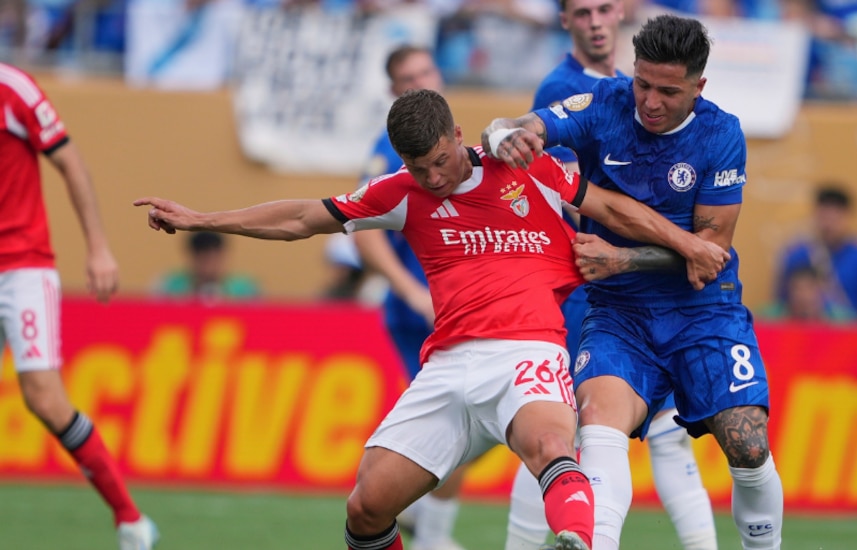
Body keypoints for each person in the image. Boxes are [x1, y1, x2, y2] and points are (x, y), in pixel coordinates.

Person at [134, 88, 730, 550]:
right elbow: (301, 218)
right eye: (420, 168)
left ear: (458, 136)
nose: (435, 178)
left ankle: (580, 539)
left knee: (552, 445)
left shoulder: (527, 168)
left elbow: (614, 210)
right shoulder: (400, 192)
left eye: (441, 161)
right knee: (366, 507)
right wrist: (202, 219)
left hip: (526, 349)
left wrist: (689, 244)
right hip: (446, 365)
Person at [482, 14, 784, 550]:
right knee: (597, 420)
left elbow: (708, 256)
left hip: (703, 311)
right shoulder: (605, 103)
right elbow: (521, 124)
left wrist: (623, 259)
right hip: (618, 314)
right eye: (643, 84)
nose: (650, 101)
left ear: (698, 86)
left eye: (668, 91)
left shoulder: (721, 135)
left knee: (748, 445)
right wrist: (506, 135)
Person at [505, 3, 718, 550]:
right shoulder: (568, 90)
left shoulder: (635, 87)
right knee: (561, 429)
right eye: (582, 12)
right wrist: (677, 239)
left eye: (604, 8)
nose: (596, 21)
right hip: (588, 283)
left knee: (659, 431)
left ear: (621, 12)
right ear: (565, 22)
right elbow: (568, 193)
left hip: (637, 288)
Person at [0, 61, 159, 550]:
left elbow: (70, 162)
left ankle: (130, 518)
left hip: (23, 267)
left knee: (45, 400)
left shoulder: (13, 89)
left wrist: (98, 247)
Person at [353, 44, 469, 550]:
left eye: (427, 71)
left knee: (470, 422)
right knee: (457, 424)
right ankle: (428, 533)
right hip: (421, 312)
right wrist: (413, 292)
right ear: (393, 91)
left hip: (458, 308)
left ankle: (423, 522)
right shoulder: (391, 151)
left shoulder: (451, 139)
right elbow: (363, 231)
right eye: (408, 78)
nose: (421, 82)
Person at [775, 184, 857, 320]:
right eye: (824, 217)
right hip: (804, 331)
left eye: (835, 218)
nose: (829, 225)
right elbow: (782, 302)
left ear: (847, 217)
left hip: (851, 331)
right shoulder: (797, 255)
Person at [152, 231, 261, 303]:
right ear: (192, 257)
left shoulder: (244, 289)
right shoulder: (169, 286)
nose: (209, 265)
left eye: (214, 258)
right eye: (204, 259)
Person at [760, 264, 857, 322]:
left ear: (821, 289)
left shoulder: (842, 320)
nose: (804, 295)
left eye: (810, 287)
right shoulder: (771, 319)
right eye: (798, 288)